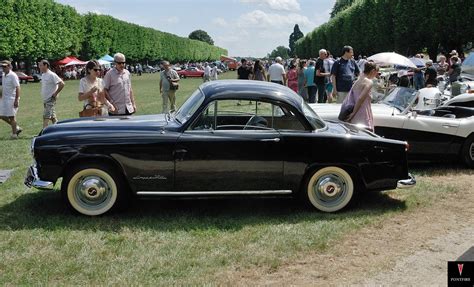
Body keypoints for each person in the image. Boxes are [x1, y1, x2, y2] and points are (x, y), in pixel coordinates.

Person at [345, 62, 379, 131]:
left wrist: (352, 113)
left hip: (354, 111)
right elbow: (361, 98)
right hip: (363, 113)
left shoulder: (357, 81)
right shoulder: (369, 82)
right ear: (372, 71)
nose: (376, 74)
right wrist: (353, 113)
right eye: (376, 72)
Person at [39, 59, 65, 128]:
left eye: (41, 65)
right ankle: (59, 129)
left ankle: (44, 132)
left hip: (50, 99)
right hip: (45, 99)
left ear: (46, 65)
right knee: (53, 117)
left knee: (46, 116)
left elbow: (62, 84)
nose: (39, 67)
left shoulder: (51, 74)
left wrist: (56, 93)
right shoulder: (44, 74)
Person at [0, 60, 22, 139]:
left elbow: (18, 87)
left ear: (9, 66)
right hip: (4, 98)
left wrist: (16, 100)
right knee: (1, 115)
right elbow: (3, 86)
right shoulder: (3, 75)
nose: (3, 68)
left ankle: (14, 134)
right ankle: (17, 128)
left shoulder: (13, 75)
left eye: (5, 66)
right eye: (2, 66)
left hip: (11, 99)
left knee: (12, 117)